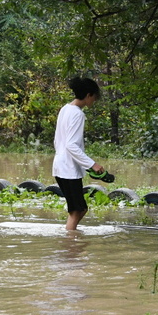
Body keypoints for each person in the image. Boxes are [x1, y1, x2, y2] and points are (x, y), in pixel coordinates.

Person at [52, 76, 105, 231]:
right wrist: (92, 164)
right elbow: (71, 145)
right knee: (79, 210)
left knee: (76, 209)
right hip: (69, 169)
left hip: (60, 166)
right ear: (88, 95)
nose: (94, 101)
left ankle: (70, 243)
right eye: (94, 97)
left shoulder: (65, 109)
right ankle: (70, 246)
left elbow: (58, 141)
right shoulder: (77, 114)